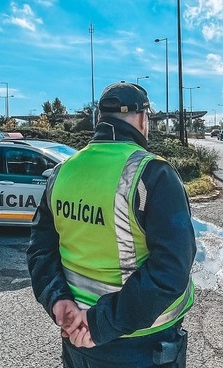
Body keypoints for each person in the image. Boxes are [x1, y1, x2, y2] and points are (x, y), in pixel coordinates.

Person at [27, 82, 196, 368]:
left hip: (77, 341)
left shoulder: (62, 172)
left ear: (98, 120)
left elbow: (40, 249)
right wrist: (99, 323)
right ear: (143, 118)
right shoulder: (152, 173)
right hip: (141, 344)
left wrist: (58, 300)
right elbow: (171, 270)